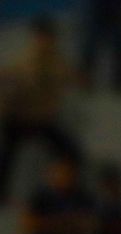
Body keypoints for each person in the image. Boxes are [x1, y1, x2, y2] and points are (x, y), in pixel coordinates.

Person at [0, 17, 80, 204]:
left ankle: (66, 190)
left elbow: (67, 78)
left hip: (42, 120)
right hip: (20, 119)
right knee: (7, 157)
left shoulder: (56, 60)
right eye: (42, 36)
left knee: (70, 152)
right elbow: (19, 79)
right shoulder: (29, 59)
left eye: (48, 37)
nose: (45, 40)